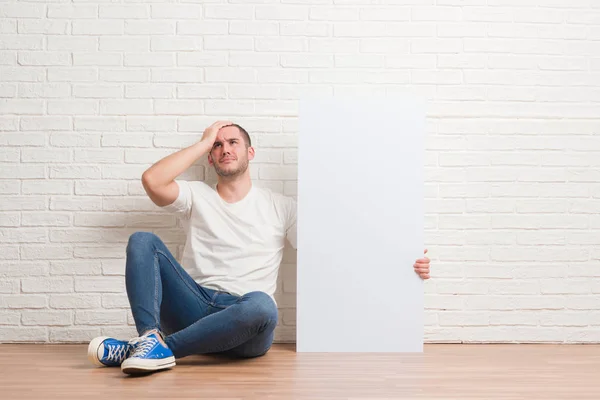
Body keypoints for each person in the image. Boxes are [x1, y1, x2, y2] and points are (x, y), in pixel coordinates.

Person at [86, 121, 432, 375]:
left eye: (233, 142)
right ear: (210, 157)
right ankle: (148, 339)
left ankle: (152, 349)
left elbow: (333, 255)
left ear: (249, 152)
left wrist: (402, 261)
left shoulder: (281, 206)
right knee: (142, 240)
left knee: (263, 304)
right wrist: (202, 141)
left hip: (245, 324)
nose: (225, 149)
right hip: (193, 306)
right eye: (217, 146)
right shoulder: (197, 196)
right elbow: (152, 181)